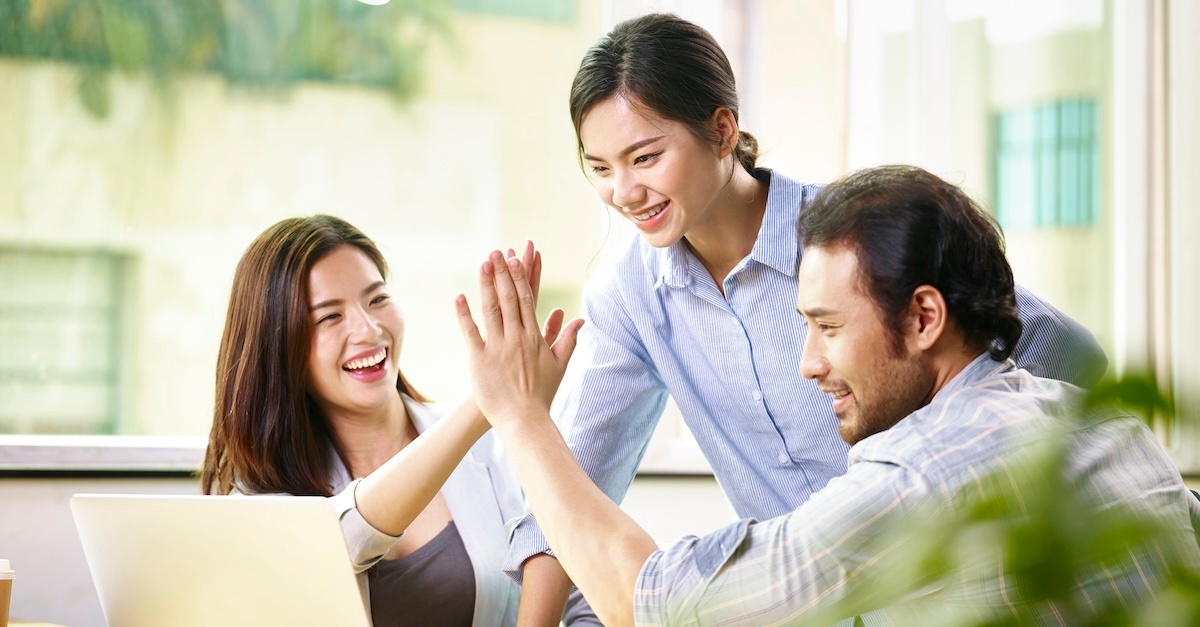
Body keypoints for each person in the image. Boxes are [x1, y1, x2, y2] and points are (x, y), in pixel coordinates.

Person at [507, 12, 1111, 623]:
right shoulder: (629, 292)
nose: (624, 193)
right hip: (794, 594)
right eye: (601, 168)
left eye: (645, 157)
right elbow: (573, 487)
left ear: (722, 131)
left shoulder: (848, 243)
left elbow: (1069, 355)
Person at [456, 164, 1200, 625]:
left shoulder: (918, 478)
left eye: (828, 327)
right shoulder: (1097, 423)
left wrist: (521, 417)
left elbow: (652, 604)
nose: (807, 363)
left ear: (924, 316)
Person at [199, 215, 595, 626]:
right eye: (329, 317)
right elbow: (339, 542)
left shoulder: (491, 448)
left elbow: (584, 595)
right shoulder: (259, 495)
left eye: (377, 299)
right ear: (279, 347)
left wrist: (507, 408)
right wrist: (490, 401)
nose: (368, 330)